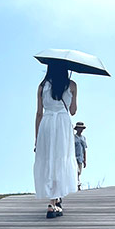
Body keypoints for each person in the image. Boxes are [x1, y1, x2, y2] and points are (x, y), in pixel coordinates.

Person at [33, 64, 78, 218]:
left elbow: (39, 113)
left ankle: (56, 198)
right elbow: (72, 111)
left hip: (46, 122)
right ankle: (53, 202)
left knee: (49, 160)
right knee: (60, 159)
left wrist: (36, 138)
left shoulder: (42, 86)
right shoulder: (71, 85)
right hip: (63, 124)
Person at [73, 121, 87, 191]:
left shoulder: (83, 138)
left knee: (79, 172)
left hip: (80, 158)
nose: (80, 130)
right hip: (74, 157)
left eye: (81, 128)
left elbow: (84, 149)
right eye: (79, 128)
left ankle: (77, 184)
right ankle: (77, 185)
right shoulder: (73, 137)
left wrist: (85, 160)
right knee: (76, 171)